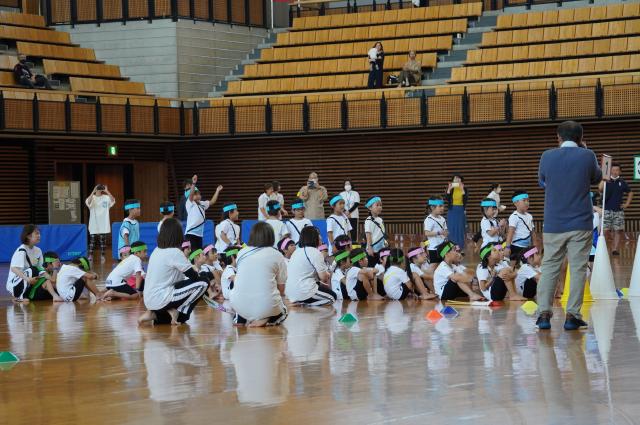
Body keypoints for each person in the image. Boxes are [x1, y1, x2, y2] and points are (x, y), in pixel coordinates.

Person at [536, 120, 602, 330]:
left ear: (558, 137)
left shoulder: (547, 156)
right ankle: (572, 315)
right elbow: (597, 178)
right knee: (578, 268)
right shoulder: (587, 155)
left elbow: (542, 181)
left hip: (553, 222)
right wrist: (585, 151)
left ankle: (544, 314)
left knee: (549, 268)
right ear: (581, 138)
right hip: (580, 222)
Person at [139, 218, 209, 326]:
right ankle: (180, 314)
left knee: (191, 283)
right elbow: (194, 277)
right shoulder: (174, 252)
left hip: (149, 299)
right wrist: (198, 272)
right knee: (204, 282)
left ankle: (156, 315)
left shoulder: (157, 250)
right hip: (160, 298)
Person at [229, 222, 289, 327]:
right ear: (271, 237)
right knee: (284, 310)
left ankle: (240, 318)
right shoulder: (277, 254)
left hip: (238, 305)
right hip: (266, 305)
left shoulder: (241, 252)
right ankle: (264, 318)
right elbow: (281, 289)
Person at [285, 226, 336, 306]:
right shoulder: (315, 252)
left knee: (322, 290)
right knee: (332, 298)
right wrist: (329, 274)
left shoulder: (297, 251)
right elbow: (324, 277)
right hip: (304, 290)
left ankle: (301, 302)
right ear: (314, 237)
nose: (320, 236)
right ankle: (304, 304)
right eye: (318, 234)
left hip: (290, 292)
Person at [599, 163, 633, 255]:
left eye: (617, 170)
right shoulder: (606, 181)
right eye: (613, 170)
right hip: (606, 210)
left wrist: (627, 204)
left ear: (620, 171)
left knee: (618, 230)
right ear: (610, 171)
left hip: (618, 211)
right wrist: (604, 179)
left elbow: (630, 193)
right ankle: (603, 249)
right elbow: (600, 189)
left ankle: (615, 249)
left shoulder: (622, 182)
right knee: (605, 230)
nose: (615, 172)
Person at [6, 224, 44, 302]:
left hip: (29, 280)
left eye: (39, 233)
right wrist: (28, 279)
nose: (39, 235)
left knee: (41, 272)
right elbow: (14, 269)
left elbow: (40, 268)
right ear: (28, 236)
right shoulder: (22, 250)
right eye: (36, 233)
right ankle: (19, 296)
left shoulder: (38, 250)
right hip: (15, 283)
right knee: (33, 270)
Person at [185, 174, 223, 250]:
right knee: (193, 254)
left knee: (199, 253)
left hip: (199, 234)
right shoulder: (190, 203)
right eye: (195, 194)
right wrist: (193, 183)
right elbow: (191, 195)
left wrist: (217, 191)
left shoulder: (202, 203)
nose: (198, 196)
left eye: (199, 194)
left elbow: (212, 202)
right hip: (191, 233)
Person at [85, 184, 115, 263]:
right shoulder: (92, 197)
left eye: (100, 188)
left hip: (103, 223)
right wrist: (93, 191)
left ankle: (103, 255)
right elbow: (88, 202)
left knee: (103, 241)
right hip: (94, 222)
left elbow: (113, 200)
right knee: (92, 240)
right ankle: (90, 255)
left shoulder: (106, 197)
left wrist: (107, 191)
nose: (99, 189)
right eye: (98, 188)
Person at [423, 196, 448, 266]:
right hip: (433, 248)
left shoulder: (442, 219)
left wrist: (445, 233)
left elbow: (445, 230)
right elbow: (427, 233)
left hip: (442, 247)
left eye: (443, 206)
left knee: (443, 265)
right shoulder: (429, 219)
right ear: (432, 207)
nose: (442, 208)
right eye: (440, 206)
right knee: (434, 266)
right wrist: (439, 232)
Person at [445, 174, 468, 249]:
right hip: (452, 210)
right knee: (451, 228)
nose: (457, 180)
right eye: (455, 179)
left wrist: (462, 189)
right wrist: (449, 189)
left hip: (460, 210)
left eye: (459, 178)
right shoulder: (451, 189)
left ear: (461, 180)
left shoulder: (464, 188)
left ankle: (460, 247)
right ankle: (451, 247)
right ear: (453, 180)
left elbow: (465, 200)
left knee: (460, 228)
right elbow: (447, 199)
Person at [364, 196, 388, 260]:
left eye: (380, 205)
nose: (379, 207)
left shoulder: (380, 219)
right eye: (377, 205)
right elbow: (368, 235)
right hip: (373, 249)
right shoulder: (368, 220)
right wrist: (370, 248)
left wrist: (385, 242)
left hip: (382, 248)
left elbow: (382, 233)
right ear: (370, 208)